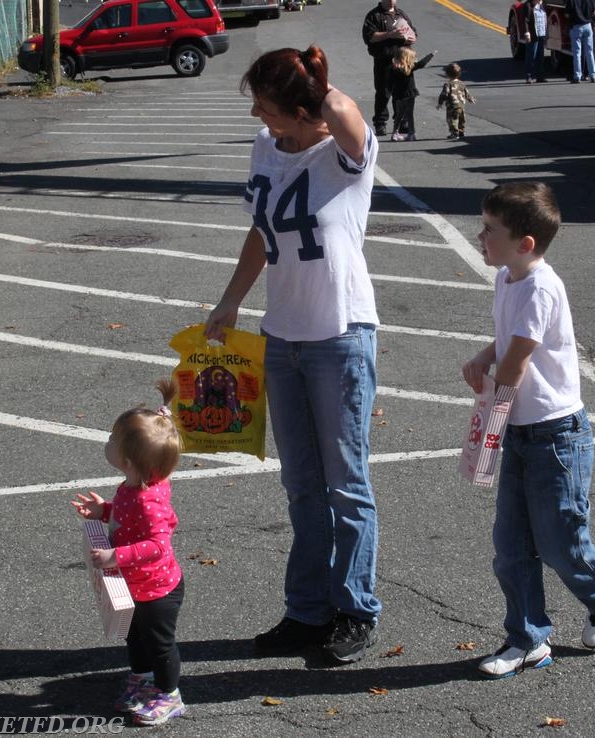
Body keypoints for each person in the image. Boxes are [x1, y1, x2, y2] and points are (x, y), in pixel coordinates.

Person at [204, 45, 382, 664]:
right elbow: (261, 231)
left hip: (340, 336)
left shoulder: (343, 154)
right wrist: (231, 302)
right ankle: (307, 612)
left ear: (304, 110)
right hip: (282, 338)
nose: (257, 112)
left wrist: (320, 86)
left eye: (269, 104)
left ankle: (355, 609)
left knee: (346, 486)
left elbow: (348, 114)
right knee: (302, 486)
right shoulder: (263, 147)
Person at [462, 182, 595, 679]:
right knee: (511, 545)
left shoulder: (540, 285)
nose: (480, 236)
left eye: (490, 231)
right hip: (519, 431)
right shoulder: (508, 278)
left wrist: (494, 409)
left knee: (559, 539)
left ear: (525, 242)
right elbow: (505, 341)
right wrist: (481, 356)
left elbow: (520, 356)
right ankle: (527, 639)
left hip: (555, 436)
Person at [71, 379, 185, 726]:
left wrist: (114, 557)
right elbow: (128, 518)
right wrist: (105, 510)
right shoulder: (136, 484)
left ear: (130, 460)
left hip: (157, 590)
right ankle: (143, 678)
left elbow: (156, 544)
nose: (107, 443)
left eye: (112, 440)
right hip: (137, 584)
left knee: (159, 644)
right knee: (133, 635)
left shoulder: (146, 499)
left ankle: (169, 695)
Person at [362, 0, 417, 136]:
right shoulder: (374, 16)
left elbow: (413, 31)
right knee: (383, 92)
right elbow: (370, 37)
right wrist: (390, 34)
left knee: (402, 93)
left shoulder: (401, 14)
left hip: (403, 61)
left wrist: (411, 37)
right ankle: (380, 123)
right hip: (384, 60)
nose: (392, 2)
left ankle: (402, 122)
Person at [389, 46, 435, 141]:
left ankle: (395, 133)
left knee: (399, 115)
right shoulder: (410, 68)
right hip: (409, 94)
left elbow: (389, 82)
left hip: (398, 94)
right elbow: (421, 64)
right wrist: (431, 55)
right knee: (409, 114)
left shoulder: (393, 68)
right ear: (407, 58)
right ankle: (411, 133)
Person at [437, 62, 476, 140]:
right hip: (461, 105)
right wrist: (470, 98)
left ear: (447, 74)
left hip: (452, 105)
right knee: (461, 119)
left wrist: (440, 103)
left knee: (452, 119)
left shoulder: (448, 84)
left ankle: (455, 133)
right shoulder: (462, 83)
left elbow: (444, 94)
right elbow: (466, 92)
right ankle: (461, 131)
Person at [565, 0, 595, 83]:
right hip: (587, 26)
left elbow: (567, 14)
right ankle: (593, 75)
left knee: (577, 53)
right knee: (590, 52)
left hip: (576, 26)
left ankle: (577, 76)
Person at [523, 0, 548, 84]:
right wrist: (527, 32)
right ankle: (529, 76)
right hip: (533, 34)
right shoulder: (528, 5)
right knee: (531, 55)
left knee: (540, 56)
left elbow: (545, 18)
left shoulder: (542, 4)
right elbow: (526, 20)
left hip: (541, 33)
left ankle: (540, 76)